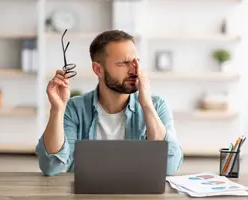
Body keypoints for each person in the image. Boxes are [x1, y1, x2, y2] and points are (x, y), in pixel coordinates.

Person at [35, 30, 184, 176]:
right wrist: (57, 109)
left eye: (136, 61)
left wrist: (146, 105)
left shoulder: (156, 105)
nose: (135, 70)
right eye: (124, 63)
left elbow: (169, 167)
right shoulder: (75, 109)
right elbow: (51, 167)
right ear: (98, 69)